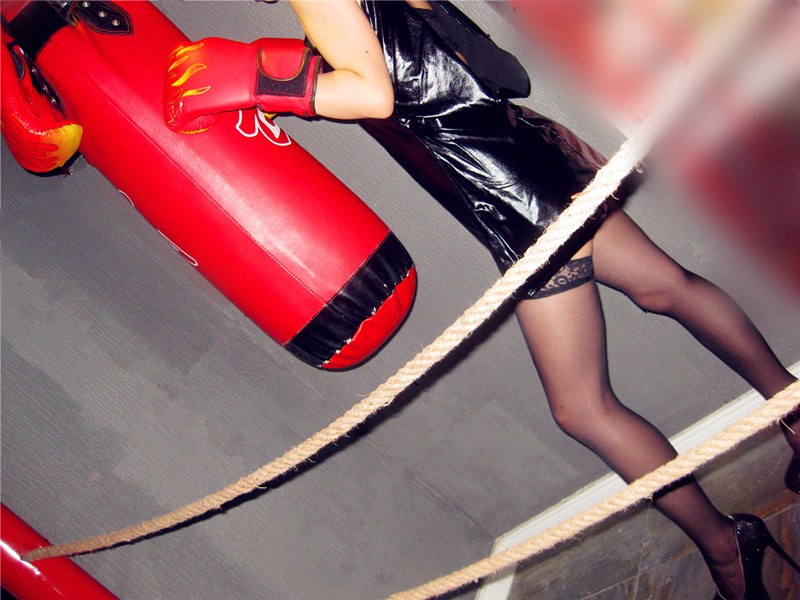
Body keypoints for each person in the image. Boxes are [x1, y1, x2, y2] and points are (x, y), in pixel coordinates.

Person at [164, 1, 799, 597]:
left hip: (513, 199)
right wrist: (296, 79)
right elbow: (478, 71)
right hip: (532, 158)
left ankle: (726, 546)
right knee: (668, 289)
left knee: (582, 408)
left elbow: (373, 93)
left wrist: (259, 78)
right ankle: (796, 419)